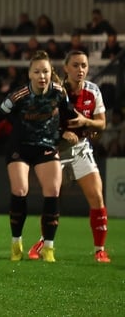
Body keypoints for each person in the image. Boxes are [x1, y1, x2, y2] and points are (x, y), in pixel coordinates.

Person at [0, 50, 76, 263]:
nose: (42, 76)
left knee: (52, 190)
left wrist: (74, 131)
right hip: (20, 147)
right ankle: (16, 243)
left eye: (45, 71)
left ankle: (49, 248)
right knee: (20, 190)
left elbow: (69, 115)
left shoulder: (59, 92)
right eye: (37, 72)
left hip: (46, 146)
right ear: (30, 75)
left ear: (51, 73)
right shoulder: (19, 95)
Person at [28, 50, 111, 263]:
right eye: (75, 65)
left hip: (81, 149)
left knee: (97, 196)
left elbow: (101, 123)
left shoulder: (93, 91)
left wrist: (86, 122)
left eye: (84, 65)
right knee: (53, 199)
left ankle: (100, 250)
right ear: (66, 68)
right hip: (56, 150)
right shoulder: (56, 91)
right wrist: (62, 133)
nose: (80, 70)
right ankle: (43, 242)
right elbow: (42, 124)